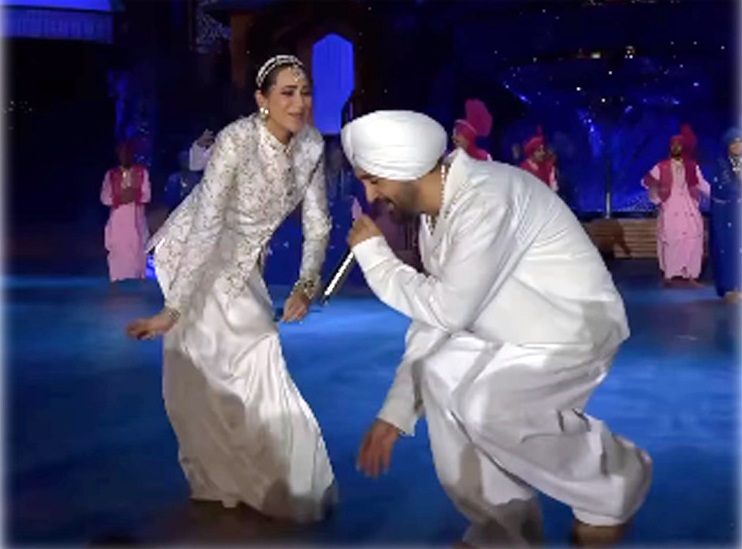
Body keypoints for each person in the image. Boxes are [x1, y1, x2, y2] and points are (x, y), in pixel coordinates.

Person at [341, 111, 652, 547]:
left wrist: (375, 258)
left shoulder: (488, 199)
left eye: (375, 180)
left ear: (407, 170)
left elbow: (448, 309)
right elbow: (433, 319)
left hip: (570, 332)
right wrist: (395, 413)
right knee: (441, 375)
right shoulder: (437, 213)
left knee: (490, 407)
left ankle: (617, 481)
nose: (371, 195)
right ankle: (502, 528)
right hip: (506, 332)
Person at [125, 54, 336, 522]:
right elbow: (206, 223)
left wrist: (306, 283)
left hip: (243, 261)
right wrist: (173, 309)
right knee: (247, 348)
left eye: (305, 93)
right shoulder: (236, 140)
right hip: (194, 249)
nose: (299, 103)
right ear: (262, 100)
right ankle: (240, 479)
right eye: (287, 93)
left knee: (228, 361)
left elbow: (318, 223)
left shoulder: (311, 145)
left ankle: (237, 480)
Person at [642, 125, 711, 287]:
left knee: (692, 239)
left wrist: (720, 196)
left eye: (679, 145)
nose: (676, 148)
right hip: (670, 207)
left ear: (684, 147)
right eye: (673, 145)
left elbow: (703, 185)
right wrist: (657, 195)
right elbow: (646, 182)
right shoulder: (662, 166)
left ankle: (692, 274)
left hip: (689, 208)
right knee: (671, 240)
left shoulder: (692, 166)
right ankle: (670, 274)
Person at [100, 140, 151, 285]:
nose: (124, 155)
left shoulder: (141, 173)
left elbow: (147, 196)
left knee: (136, 250)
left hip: (136, 219)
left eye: (127, 152)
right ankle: (116, 284)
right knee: (118, 250)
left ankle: (137, 283)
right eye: (121, 153)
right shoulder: (111, 175)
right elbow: (105, 198)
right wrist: (122, 198)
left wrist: (133, 195)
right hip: (118, 220)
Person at [710, 127, 742, 303]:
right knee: (728, 249)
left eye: (740, 142)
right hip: (727, 216)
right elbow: (722, 189)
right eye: (733, 143)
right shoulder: (721, 165)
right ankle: (730, 288)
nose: (737, 146)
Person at [519, 126, 558, 192]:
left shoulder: (548, 167)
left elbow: (554, 189)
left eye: (543, 150)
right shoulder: (523, 169)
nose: (543, 153)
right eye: (539, 151)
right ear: (531, 154)